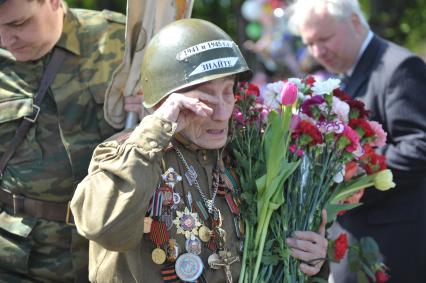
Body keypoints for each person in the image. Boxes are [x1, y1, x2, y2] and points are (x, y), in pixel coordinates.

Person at [70, 18, 329, 283]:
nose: (221, 113)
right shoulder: (125, 152)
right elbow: (104, 227)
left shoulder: (244, 156)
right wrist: (158, 128)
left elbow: (277, 253)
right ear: (166, 101)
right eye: (203, 99)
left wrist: (313, 258)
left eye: (228, 92)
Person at [0, 0, 141, 281]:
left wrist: (151, 109)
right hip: (19, 258)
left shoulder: (122, 42)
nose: (6, 39)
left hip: (111, 252)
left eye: (18, 23)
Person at [287, 0, 426, 282]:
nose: (317, 51)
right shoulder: (348, 73)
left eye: (324, 39)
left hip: (392, 244)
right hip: (355, 238)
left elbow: (420, 145)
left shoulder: (398, 67)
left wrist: (350, 176)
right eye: (310, 43)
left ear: (353, 22)